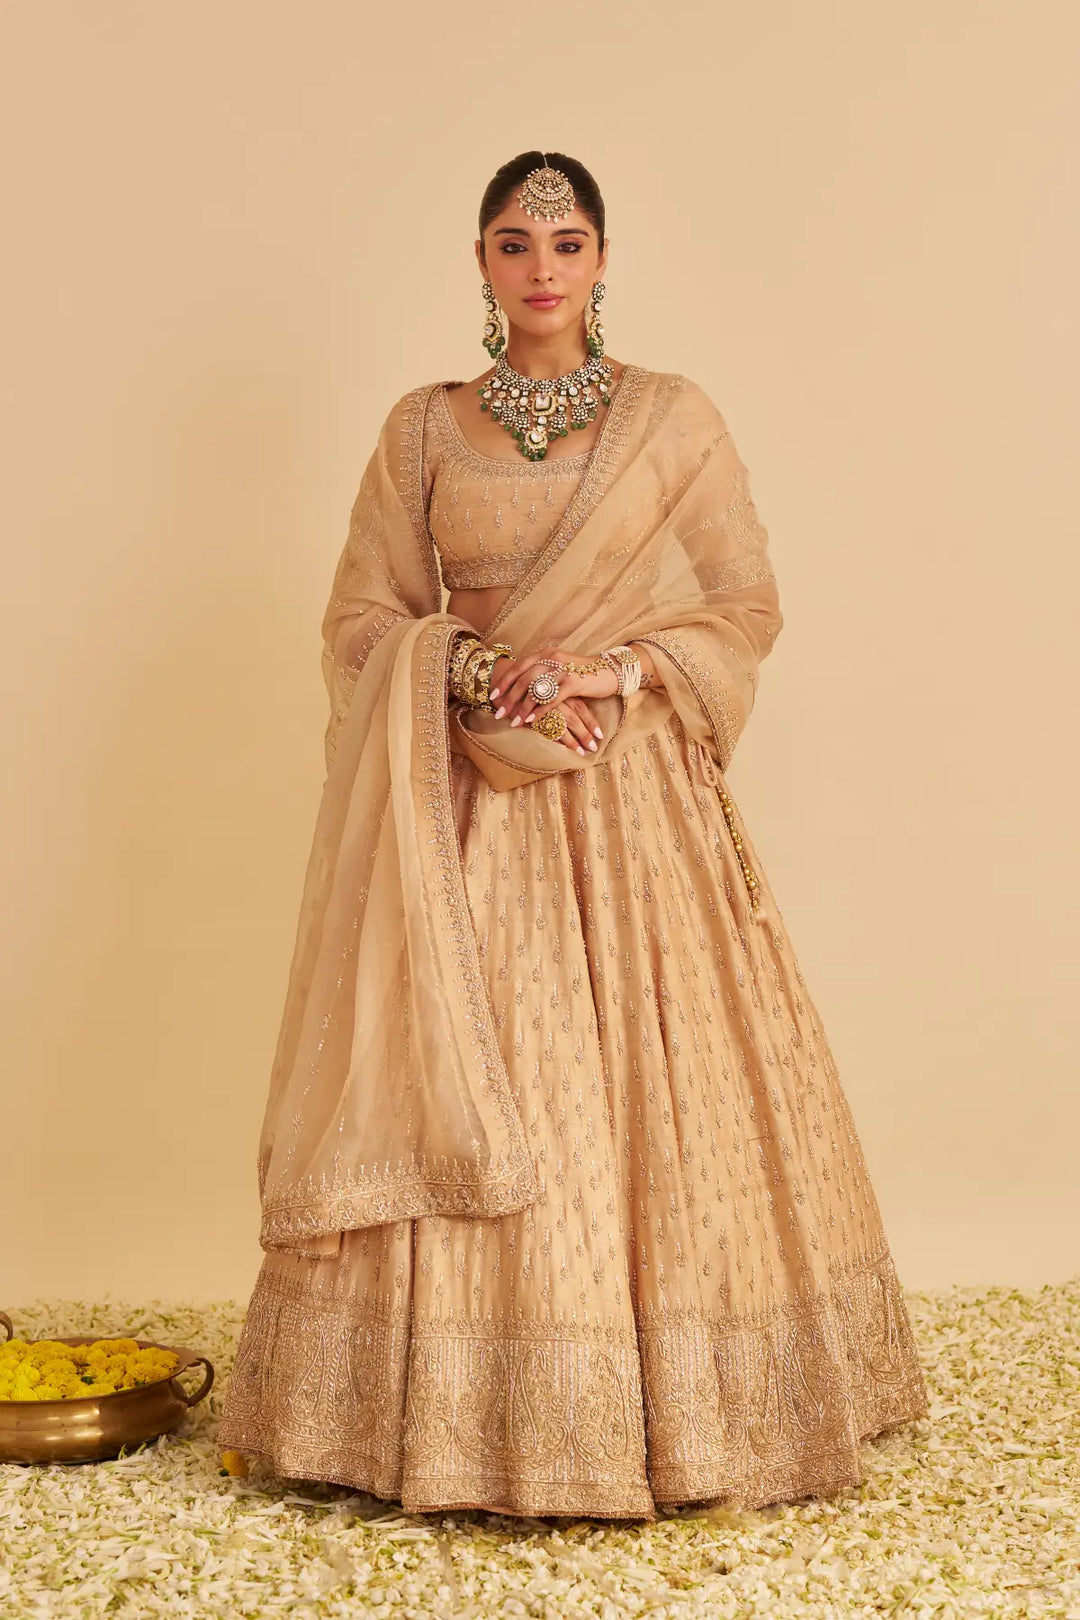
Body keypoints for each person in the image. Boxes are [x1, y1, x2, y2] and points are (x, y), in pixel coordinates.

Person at [217, 150, 929, 1521]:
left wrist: (620, 674)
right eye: (512, 242)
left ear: (603, 261)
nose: (542, 265)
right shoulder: (421, 431)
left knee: (656, 1088)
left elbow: (744, 600)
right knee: (465, 1066)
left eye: (567, 240)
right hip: (469, 810)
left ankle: (681, 1416)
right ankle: (437, 1424)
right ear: (480, 266)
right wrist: (470, 673)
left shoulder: (673, 420)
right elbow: (364, 618)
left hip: (627, 791)